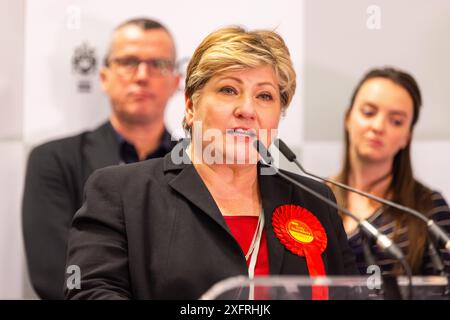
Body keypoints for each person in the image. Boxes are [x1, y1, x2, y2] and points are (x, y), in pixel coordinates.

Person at [65, 26, 357, 300]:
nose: (247, 110)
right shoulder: (121, 192)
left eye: (265, 96)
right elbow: (91, 292)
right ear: (191, 106)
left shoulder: (316, 201)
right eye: (229, 90)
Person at [22, 18, 180, 299]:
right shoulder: (53, 160)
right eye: (129, 61)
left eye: (158, 64)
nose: (142, 75)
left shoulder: (197, 164)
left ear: (175, 81)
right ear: (104, 76)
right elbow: (54, 274)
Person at [330, 67, 450, 275]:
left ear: (407, 136)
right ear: (348, 118)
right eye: (369, 112)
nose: (378, 126)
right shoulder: (313, 198)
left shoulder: (428, 209)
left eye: (396, 121)